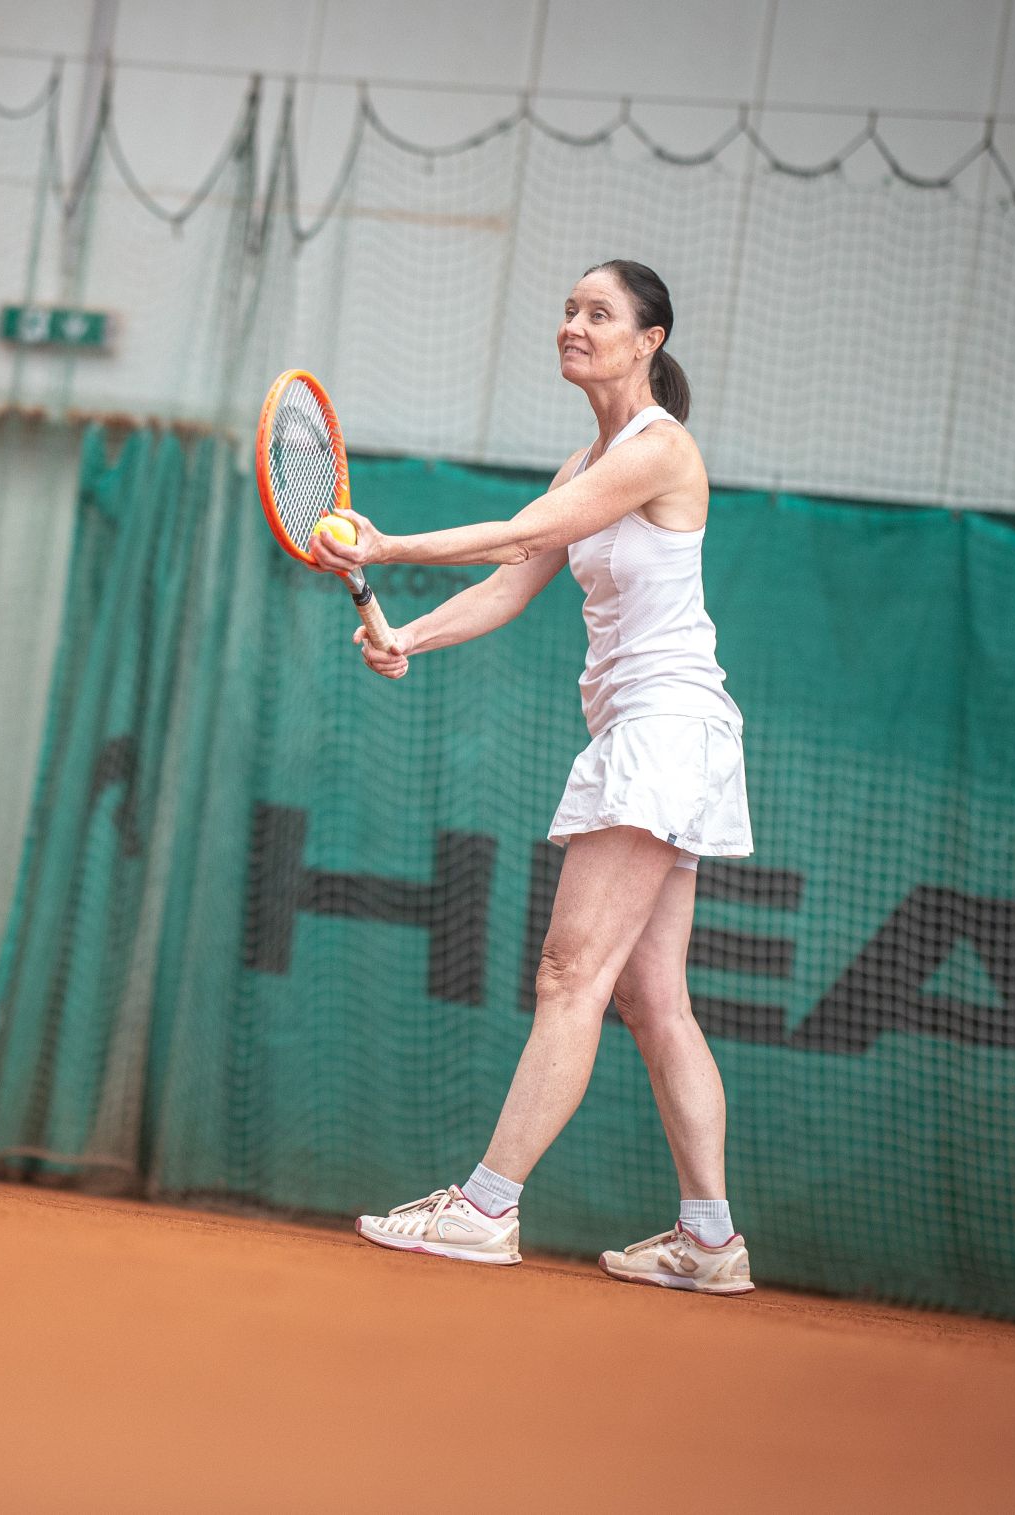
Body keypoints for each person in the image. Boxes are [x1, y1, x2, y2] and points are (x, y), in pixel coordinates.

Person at [307, 259, 754, 1295]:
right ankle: (709, 1239)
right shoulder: (582, 463)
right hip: (660, 737)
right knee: (652, 999)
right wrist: (409, 636)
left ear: (648, 340)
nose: (573, 326)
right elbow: (513, 582)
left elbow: (523, 532)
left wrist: (389, 544)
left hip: (665, 731)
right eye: (567, 310)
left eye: (598, 313)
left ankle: (485, 1207)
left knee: (568, 975)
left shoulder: (659, 449)